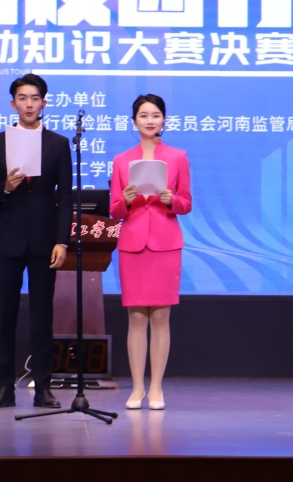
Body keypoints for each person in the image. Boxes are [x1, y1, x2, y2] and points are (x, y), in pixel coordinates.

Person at [0, 73, 72, 409]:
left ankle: (43, 387)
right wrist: (5, 186)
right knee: (5, 315)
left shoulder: (58, 144)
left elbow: (65, 198)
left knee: (42, 316)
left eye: (35, 98)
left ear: (44, 103)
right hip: (8, 240)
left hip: (45, 241)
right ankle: (4, 387)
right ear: (13, 103)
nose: (29, 104)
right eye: (22, 98)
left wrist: (62, 241)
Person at [109, 94, 191, 411]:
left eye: (155, 115)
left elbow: (186, 203)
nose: (150, 121)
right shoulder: (121, 160)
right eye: (143, 115)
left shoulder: (178, 157)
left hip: (165, 243)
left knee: (160, 316)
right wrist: (127, 199)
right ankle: (137, 388)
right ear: (134, 121)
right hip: (132, 244)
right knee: (135, 318)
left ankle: (156, 387)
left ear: (164, 120)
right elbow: (115, 210)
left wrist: (172, 199)